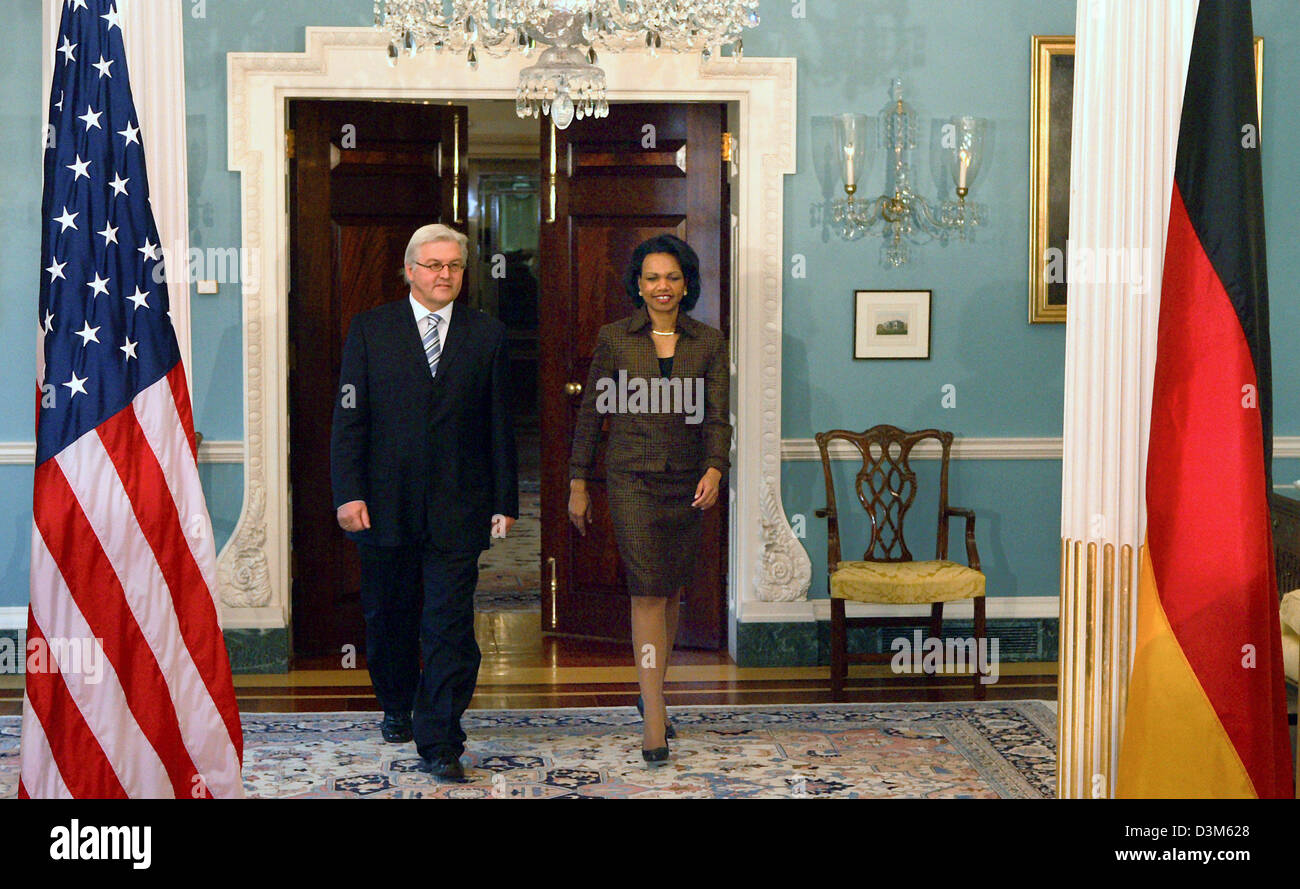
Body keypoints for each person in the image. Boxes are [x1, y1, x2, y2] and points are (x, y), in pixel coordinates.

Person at [330, 223, 517, 782]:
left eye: (454, 266)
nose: (444, 275)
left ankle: (441, 739)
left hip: (460, 506)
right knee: (389, 614)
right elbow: (350, 419)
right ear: (410, 271)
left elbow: (499, 424)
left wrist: (504, 500)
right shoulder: (371, 330)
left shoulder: (487, 334)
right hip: (383, 504)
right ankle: (395, 701)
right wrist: (348, 492)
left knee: (449, 622)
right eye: (433, 265)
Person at [568, 234, 731, 763]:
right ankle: (655, 718)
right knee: (646, 591)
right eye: (652, 278)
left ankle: (651, 692)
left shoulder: (708, 341)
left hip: (687, 482)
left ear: (687, 285)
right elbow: (592, 414)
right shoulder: (615, 338)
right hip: (631, 479)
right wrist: (577, 481)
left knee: (672, 588)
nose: (662, 287)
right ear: (637, 285)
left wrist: (715, 466)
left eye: (672, 278)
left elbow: (716, 416)